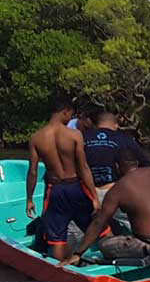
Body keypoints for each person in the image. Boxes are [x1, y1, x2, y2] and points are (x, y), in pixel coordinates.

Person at [58, 148, 150, 266]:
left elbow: (98, 222)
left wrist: (78, 253)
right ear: (136, 163)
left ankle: (146, 253)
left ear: (117, 166)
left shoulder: (119, 188)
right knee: (120, 226)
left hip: (148, 245)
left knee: (104, 244)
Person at [25, 98, 100, 260]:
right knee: (99, 228)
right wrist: (94, 196)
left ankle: (59, 270)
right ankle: (110, 261)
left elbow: (32, 172)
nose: (70, 118)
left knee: (57, 239)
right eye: (70, 114)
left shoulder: (37, 138)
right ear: (65, 111)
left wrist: (29, 199)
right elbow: (83, 167)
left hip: (55, 190)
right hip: (76, 188)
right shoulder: (74, 135)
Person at [82, 111, 150, 203]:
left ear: (95, 124)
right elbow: (147, 165)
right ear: (115, 125)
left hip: (86, 191)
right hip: (115, 190)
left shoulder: (82, 136)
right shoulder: (124, 139)